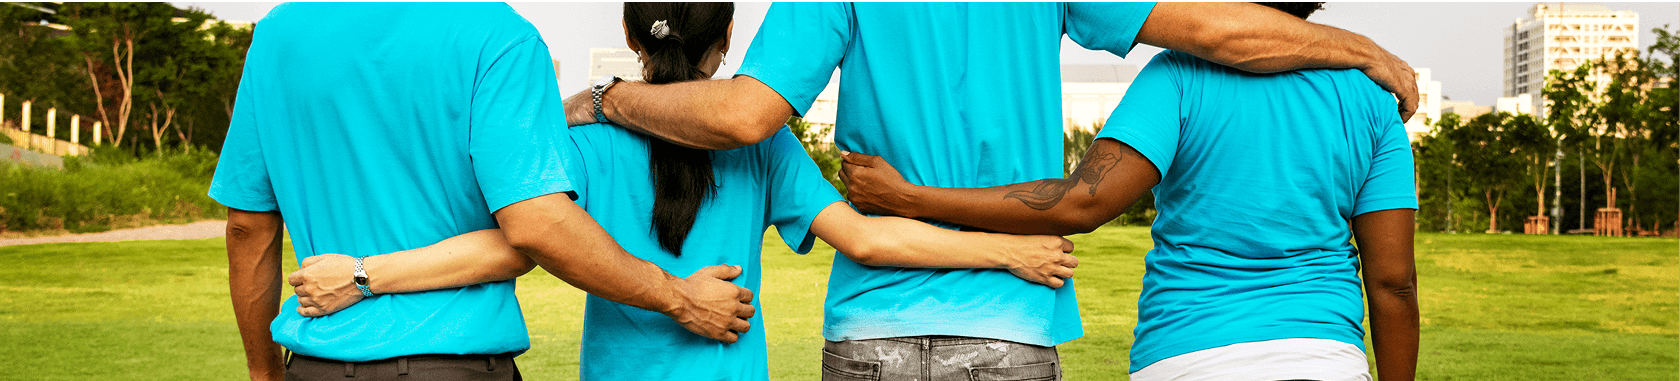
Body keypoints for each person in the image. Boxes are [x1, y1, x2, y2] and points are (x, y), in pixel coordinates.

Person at [561, 2, 1419, 379]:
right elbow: (1212, 28)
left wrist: (606, 99)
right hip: (1011, 325)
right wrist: (1358, 49)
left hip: (872, 332)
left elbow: (745, 113)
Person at [284, 3, 1079, 381]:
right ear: (727, 40)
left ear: (632, 35)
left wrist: (367, 273)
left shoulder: (585, 140)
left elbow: (518, 239)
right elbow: (871, 239)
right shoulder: (765, 146)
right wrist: (1005, 248)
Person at [838, 3, 1420, 380]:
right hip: (1324, 357)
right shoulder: (1372, 101)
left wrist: (911, 198)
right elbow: (1393, 282)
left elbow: (1083, 201)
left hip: (1185, 356)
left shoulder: (1180, 76)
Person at [214, 3, 755, 380]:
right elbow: (537, 227)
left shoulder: (278, 32)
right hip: (454, 364)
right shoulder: (499, 35)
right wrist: (678, 297)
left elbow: (248, 227)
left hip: (316, 362)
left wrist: (263, 371)